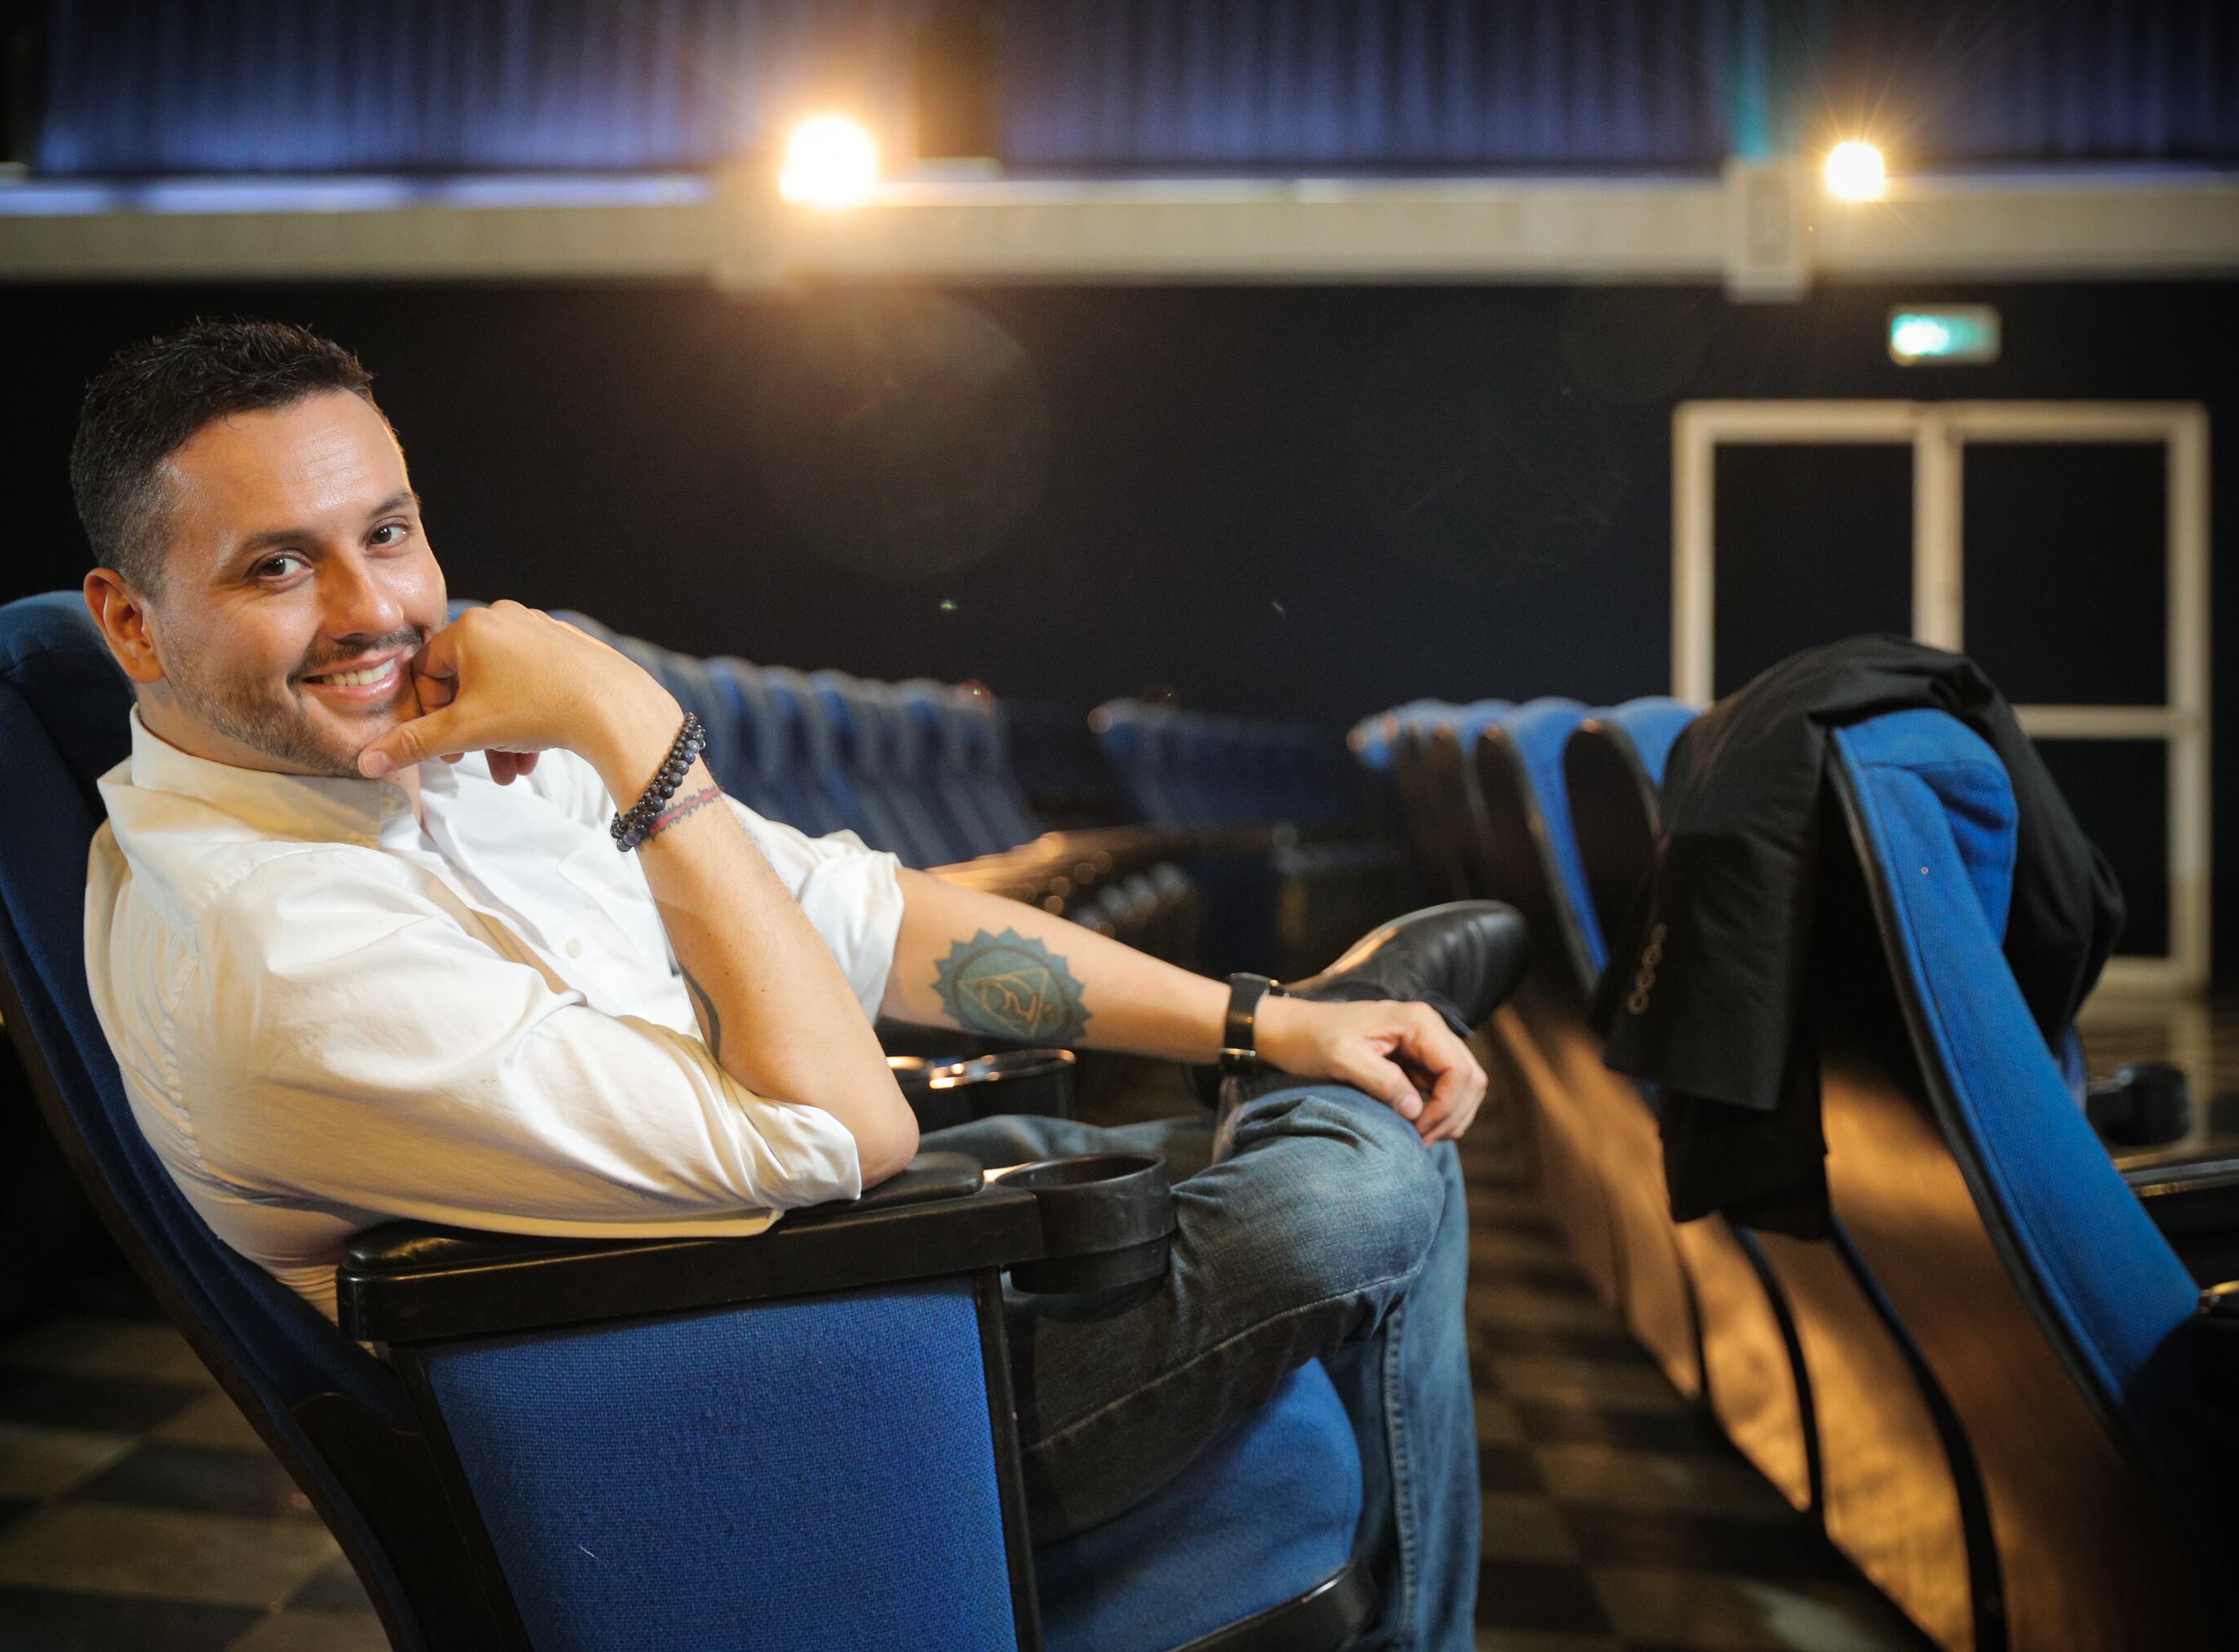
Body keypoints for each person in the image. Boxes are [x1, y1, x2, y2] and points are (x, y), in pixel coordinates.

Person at [76, 319, 1513, 1650]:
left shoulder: (433, 765)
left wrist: (1259, 1020)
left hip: (838, 1279)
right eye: (277, 566)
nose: (371, 608)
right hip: (772, 1415)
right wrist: (635, 738)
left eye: (388, 534)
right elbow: (846, 1135)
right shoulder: (272, 961)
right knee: (1367, 1189)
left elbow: (861, 917)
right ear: (131, 624)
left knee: (1380, 1110)